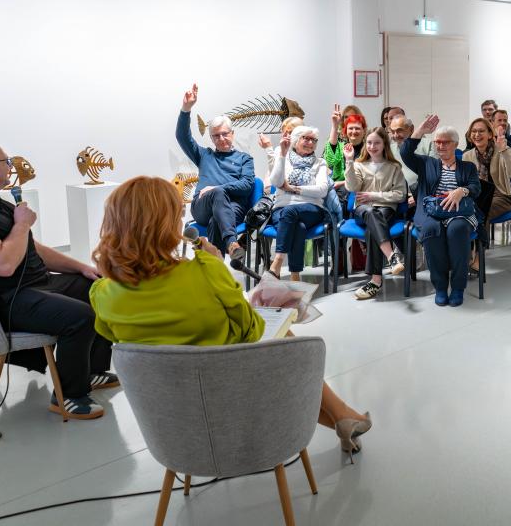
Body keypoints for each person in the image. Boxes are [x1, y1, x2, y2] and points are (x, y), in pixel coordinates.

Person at [89, 176, 371, 457]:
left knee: (282, 355)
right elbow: (252, 329)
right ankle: (343, 416)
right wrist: (215, 264)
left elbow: (113, 337)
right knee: (285, 342)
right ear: (165, 224)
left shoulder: (101, 293)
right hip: (231, 393)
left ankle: (344, 417)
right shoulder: (203, 270)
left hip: (170, 415)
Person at [0, 139, 115, 419]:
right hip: (6, 301)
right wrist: (21, 225)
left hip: (34, 286)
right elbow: (3, 265)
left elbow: (33, 248)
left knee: (97, 288)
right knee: (80, 317)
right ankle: (69, 395)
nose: (10, 167)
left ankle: (91, 371)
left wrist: (81, 267)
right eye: (5, 162)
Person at [400, 115, 480, 307]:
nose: (440, 145)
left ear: (456, 144)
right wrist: (420, 131)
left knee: (457, 230)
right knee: (431, 230)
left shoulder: (467, 167)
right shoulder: (426, 163)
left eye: (445, 142)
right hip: (431, 212)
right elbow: (405, 152)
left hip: (459, 213)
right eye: (437, 142)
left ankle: (458, 287)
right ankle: (441, 287)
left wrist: (461, 191)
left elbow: (476, 188)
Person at [176, 84, 255, 257]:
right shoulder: (204, 155)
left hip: (233, 208)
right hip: (202, 206)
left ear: (232, 133)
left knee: (215, 221)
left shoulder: (245, 159)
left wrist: (217, 188)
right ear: (211, 138)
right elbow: (182, 137)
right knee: (217, 195)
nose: (221, 138)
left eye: (225, 133)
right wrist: (186, 109)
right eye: (216, 136)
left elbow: (247, 185)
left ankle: (216, 267)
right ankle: (232, 243)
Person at [344, 128, 406, 300]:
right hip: (363, 209)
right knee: (371, 213)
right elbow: (352, 187)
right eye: (369, 142)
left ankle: (375, 281)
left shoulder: (394, 167)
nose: (372, 146)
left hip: (386, 208)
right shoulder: (358, 165)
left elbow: (400, 195)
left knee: (373, 228)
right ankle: (392, 256)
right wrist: (349, 161)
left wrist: (374, 195)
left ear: (384, 144)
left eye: (377, 142)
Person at [266, 126, 331, 281]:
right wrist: (282, 154)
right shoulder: (284, 157)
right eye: (306, 138)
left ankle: (277, 262)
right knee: (298, 227)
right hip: (281, 208)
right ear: (295, 140)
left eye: (313, 140)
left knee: (290, 212)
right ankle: (295, 275)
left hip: (311, 209)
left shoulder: (320, 163)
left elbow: (322, 190)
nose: (310, 143)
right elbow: (276, 182)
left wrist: (294, 189)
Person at [462, 117, 511, 274]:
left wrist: (504, 150)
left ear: (490, 134)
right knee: (464, 212)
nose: (477, 135)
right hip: (477, 196)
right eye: (474, 131)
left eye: (481, 131)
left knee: (481, 212)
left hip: (501, 196)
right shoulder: (467, 156)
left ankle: (478, 257)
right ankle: (465, 255)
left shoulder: (502, 150)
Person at [325, 104, 367, 212]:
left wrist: (342, 183)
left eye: (357, 128)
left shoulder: (368, 149)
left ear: (364, 130)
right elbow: (330, 159)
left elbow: (366, 177)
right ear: (345, 130)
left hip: (356, 190)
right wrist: (335, 125)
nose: (354, 131)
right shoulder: (341, 146)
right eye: (350, 128)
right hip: (335, 188)